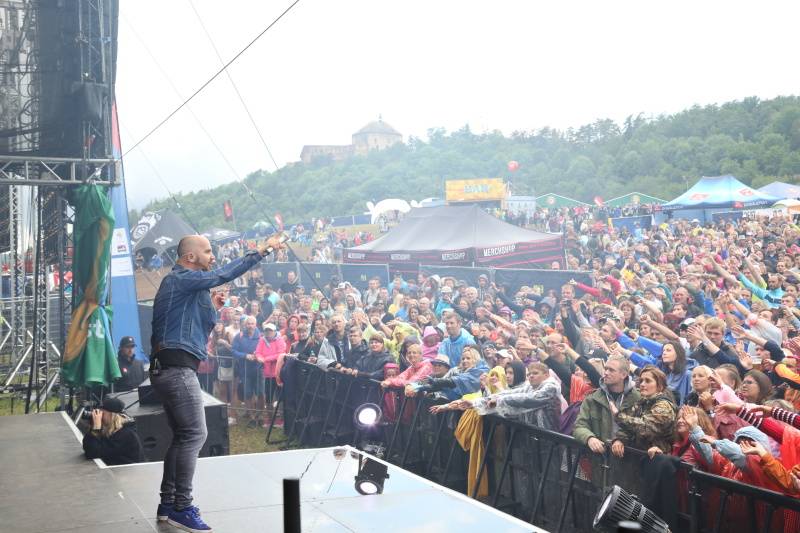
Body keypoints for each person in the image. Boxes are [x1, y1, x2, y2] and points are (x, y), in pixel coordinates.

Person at [149, 233, 284, 531]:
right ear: (190, 257)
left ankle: (168, 503)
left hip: (172, 367)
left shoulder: (190, 290)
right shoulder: (179, 279)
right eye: (208, 251)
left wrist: (212, 304)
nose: (213, 256)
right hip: (176, 368)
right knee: (195, 434)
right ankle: (182, 507)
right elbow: (223, 273)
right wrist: (259, 251)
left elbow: (204, 327)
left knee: (184, 437)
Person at [573, 355, 641, 454]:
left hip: (628, 459)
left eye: (611, 370)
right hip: (600, 459)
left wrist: (622, 439)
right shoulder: (592, 398)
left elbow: (643, 430)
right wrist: (589, 438)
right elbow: (579, 426)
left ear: (624, 374)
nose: (606, 373)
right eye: (606, 369)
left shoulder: (638, 398)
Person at [82, 396, 145, 466]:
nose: (99, 416)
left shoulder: (126, 434)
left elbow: (93, 452)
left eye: (102, 413)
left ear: (112, 415)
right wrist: (93, 427)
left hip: (129, 473)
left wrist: (96, 428)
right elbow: (87, 448)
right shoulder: (111, 430)